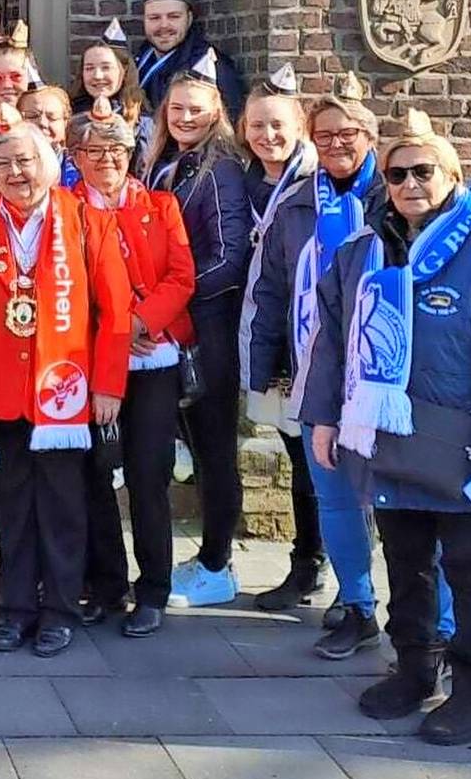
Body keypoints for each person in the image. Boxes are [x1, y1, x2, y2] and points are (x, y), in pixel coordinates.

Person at [304, 108, 471, 745]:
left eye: (424, 171)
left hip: (465, 444)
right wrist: (323, 416)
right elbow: (332, 340)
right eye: (398, 173)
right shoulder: (361, 252)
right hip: (386, 437)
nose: (411, 183)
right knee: (406, 561)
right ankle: (415, 667)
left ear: (452, 174)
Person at [0, 127, 132, 657]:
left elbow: (115, 314)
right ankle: (16, 608)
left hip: (65, 394)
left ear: (50, 164)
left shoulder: (88, 221)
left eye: (26, 161)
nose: (16, 173)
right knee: (11, 508)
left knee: (64, 508)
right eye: (4, 166)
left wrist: (109, 385)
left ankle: (60, 611)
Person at [245, 73, 388, 658]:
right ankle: (356, 603)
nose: (334, 144)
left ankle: (424, 618)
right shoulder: (298, 204)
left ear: (370, 135)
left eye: (347, 133)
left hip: (383, 375)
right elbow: (272, 288)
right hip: (317, 371)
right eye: (324, 134)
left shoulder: (395, 196)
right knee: (331, 494)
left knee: (388, 498)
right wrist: (263, 366)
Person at [71, 98, 196, 637]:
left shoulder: (162, 206)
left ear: (132, 153)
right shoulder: (65, 209)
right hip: (91, 358)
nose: (107, 159)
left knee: (148, 478)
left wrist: (139, 325)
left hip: (152, 362)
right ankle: (105, 584)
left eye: (117, 149)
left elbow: (181, 276)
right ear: (76, 155)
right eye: (95, 150)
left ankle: (154, 589)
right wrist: (112, 337)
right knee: (93, 474)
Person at [146, 52, 253, 609]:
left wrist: (163, 303)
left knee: (214, 449)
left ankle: (217, 565)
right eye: (178, 108)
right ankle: (210, 558)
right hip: (178, 325)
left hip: (205, 327)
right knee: (196, 441)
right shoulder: (171, 160)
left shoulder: (220, 169)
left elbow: (227, 258)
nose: (185, 116)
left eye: (197, 109)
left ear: (217, 113)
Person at [236, 64, 327, 614]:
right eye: (256, 125)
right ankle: (307, 562)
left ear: (300, 127)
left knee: (323, 460)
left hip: (312, 341)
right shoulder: (242, 180)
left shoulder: (317, 186)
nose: (267, 135)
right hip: (268, 340)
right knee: (297, 456)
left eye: (277, 125)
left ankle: (330, 570)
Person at [133, 0, 245, 114]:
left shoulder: (214, 65)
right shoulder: (138, 60)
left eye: (173, 16)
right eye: (154, 18)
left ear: (189, 18)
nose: (164, 25)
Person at [76, 18, 154, 158]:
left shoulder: (142, 122)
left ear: (124, 71)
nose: (97, 76)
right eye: (89, 68)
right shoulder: (72, 115)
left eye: (106, 67)